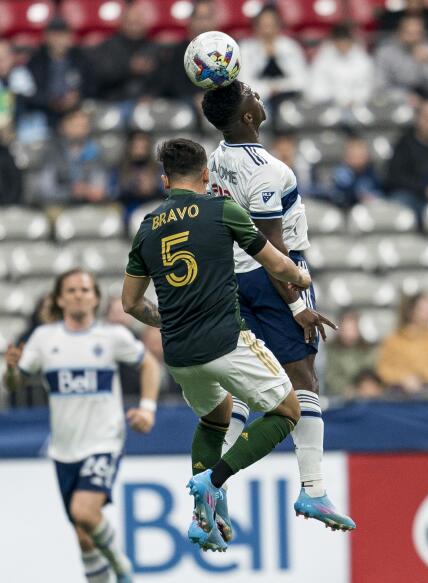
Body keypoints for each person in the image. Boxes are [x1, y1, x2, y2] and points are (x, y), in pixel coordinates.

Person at [122, 138, 327, 552]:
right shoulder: (221, 210)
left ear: (164, 180)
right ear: (205, 175)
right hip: (225, 341)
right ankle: (212, 482)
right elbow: (276, 262)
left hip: (179, 354)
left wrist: (165, 318)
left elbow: (129, 303)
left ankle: (203, 518)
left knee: (216, 420)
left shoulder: (147, 226)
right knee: (288, 410)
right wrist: (303, 282)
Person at [201, 80, 355, 532]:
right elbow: (272, 247)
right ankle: (313, 491)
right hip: (273, 279)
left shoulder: (215, 161)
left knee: (241, 393)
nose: (258, 95)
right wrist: (296, 306)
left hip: (229, 280)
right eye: (251, 94)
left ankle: (212, 492)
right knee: (303, 378)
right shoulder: (266, 170)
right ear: (248, 116)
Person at [4, 269, 161, 582]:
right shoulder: (44, 339)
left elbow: (148, 364)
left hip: (104, 441)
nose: (79, 294)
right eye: (72, 290)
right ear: (60, 299)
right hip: (64, 449)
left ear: (95, 298)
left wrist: (147, 408)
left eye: (85, 289)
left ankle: (123, 569)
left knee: (84, 512)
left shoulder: (112, 336)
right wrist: (10, 371)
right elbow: (15, 382)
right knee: (84, 536)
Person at [384, 98, 428, 227]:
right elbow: (395, 178)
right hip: (416, 197)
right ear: (419, 118)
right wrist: (427, 190)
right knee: (401, 201)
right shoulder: (403, 146)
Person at [377, 293, 428, 393]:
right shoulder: (393, 340)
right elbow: (383, 369)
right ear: (412, 311)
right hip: (398, 391)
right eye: (425, 310)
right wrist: (403, 379)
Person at [32, 107, 108, 205]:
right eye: (76, 125)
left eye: (84, 126)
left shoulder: (95, 152)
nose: (81, 129)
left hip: (90, 206)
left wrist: (88, 191)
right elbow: (45, 190)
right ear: (64, 126)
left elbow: (99, 186)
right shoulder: (52, 152)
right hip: (60, 206)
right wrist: (71, 191)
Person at [239, 5, 307, 114]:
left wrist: (278, 88)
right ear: (256, 27)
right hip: (256, 100)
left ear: (278, 26)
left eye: (271, 25)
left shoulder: (290, 47)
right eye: (264, 26)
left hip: (288, 99)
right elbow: (243, 83)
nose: (268, 30)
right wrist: (268, 89)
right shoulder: (246, 49)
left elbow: (301, 81)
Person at [27, 17, 95, 126]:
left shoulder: (81, 60)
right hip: (46, 112)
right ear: (46, 37)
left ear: (70, 38)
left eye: (62, 35)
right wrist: (52, 100)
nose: (58, 40)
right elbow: (29, 92)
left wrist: (78, 96)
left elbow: (92, 87)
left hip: (76, 111)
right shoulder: (35, 62)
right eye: (54, 35)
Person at [374, 15, 428, 99]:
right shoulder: (385, 52)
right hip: (394, 99)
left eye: (417, 33)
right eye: (409, 33)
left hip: (426, 98)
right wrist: (404, 96)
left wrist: (426, 64)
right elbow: (380, 85)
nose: (413, 38)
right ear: (398, 33)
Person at [305, 24, 375, 107]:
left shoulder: (363, 60)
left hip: (358, 105)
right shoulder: (323, 58)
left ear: (351, 42)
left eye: (345, 42)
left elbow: (367, 86)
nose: (342, 46)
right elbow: (317, 85)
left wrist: (356, 100)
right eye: (339, 43)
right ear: (334, 42)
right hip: (329, 104)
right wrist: (333, 100)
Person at [325, 311, 377, 396]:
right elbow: (331, 377)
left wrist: (369, 385)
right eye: (346, 329)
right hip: (342, 397)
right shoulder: (332, 352)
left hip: (367, 395)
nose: (349, 334)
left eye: (352, 329)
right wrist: (346, 389)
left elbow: (372, 370)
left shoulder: (367, 350)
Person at [330, 137, 382, 208]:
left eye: (361, 154)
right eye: (354, 155)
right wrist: (359, 197)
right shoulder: (341, 173)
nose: (358, 158)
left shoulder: (370, 173)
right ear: (346, 157)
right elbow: (343, 193)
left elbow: (378, 191)